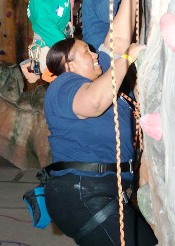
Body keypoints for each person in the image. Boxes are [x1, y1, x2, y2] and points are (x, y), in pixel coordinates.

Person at [43, 0, 158, 245]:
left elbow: (115, 40)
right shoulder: (62, 87)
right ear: (69, 64)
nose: (95, 53)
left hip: (101, 192)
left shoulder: (103, 75)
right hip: (84, 192)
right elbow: (94, 103)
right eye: (87, 51)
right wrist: (127, 58)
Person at [20, 0, 73, 83]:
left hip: (59, 34)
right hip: (51, 47)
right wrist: (68, 49)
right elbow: (47, 27)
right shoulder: (41, 6)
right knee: (62, 79)